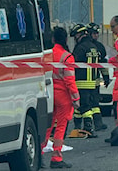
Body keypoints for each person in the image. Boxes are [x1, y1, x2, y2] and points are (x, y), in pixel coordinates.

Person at [41, 27, 80, 168]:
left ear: (53, 39)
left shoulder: (47, 55)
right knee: (61, 126)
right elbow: (70, 80)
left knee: (48, 125)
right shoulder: (67, 57)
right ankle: (56, 157)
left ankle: (39, 154)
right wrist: (76, 98)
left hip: (49, 93)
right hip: (63, 96)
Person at [69, 24, 108, 138]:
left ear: (80, 34)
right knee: (87, 106)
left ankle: (88, 128)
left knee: (84, 107)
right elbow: (102, 64)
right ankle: (78, 127)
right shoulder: (94, 47)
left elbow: (72, 62)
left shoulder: (80, 48)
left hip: (81, 82)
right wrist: (105, 77)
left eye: (76, 35)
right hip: (93, 83)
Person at [86, 22, 110, 131]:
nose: (96, 36)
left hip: (95, 80)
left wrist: (106, 77)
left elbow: (103, 64)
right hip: (85, 81)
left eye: (97, 33)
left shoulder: (99, 46)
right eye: (94, 33)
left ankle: (98, 123)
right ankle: (88, 125)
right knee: (86, 104)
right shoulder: (85, 46)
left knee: (95, 104)